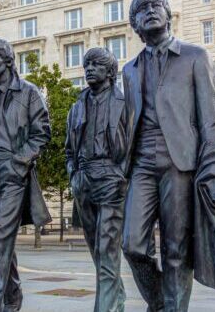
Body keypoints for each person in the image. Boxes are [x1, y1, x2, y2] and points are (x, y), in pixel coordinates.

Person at [121, 0, 215, 311]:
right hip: (141, 162)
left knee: (176, 248)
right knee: (132, 245)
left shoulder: (195, 57)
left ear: (168, 15)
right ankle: (162, 303)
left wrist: (212, 164)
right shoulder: (130, 69)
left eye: (156, 6)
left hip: (181, 161)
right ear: (135, 25)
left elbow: (211, 119)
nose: (150, 12)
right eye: (142, 10)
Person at [0, 37, 51, 312]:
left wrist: (19, 163)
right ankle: (13, 295)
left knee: (0, 240)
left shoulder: (28, 92)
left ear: (7, 61)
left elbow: (42, 133)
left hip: (12, 172)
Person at [65, 47, 131, 312]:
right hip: (84, 181)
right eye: (86, 65)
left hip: (111, 181)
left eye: (96, 64)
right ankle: (117, 299)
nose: (89, 68)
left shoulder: (124, 103)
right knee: (98, 252)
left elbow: (134, 144)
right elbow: (69, 148)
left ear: (110, 71)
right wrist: (73, 174)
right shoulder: (77, 106)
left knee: (106, 252)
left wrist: (121, 175)